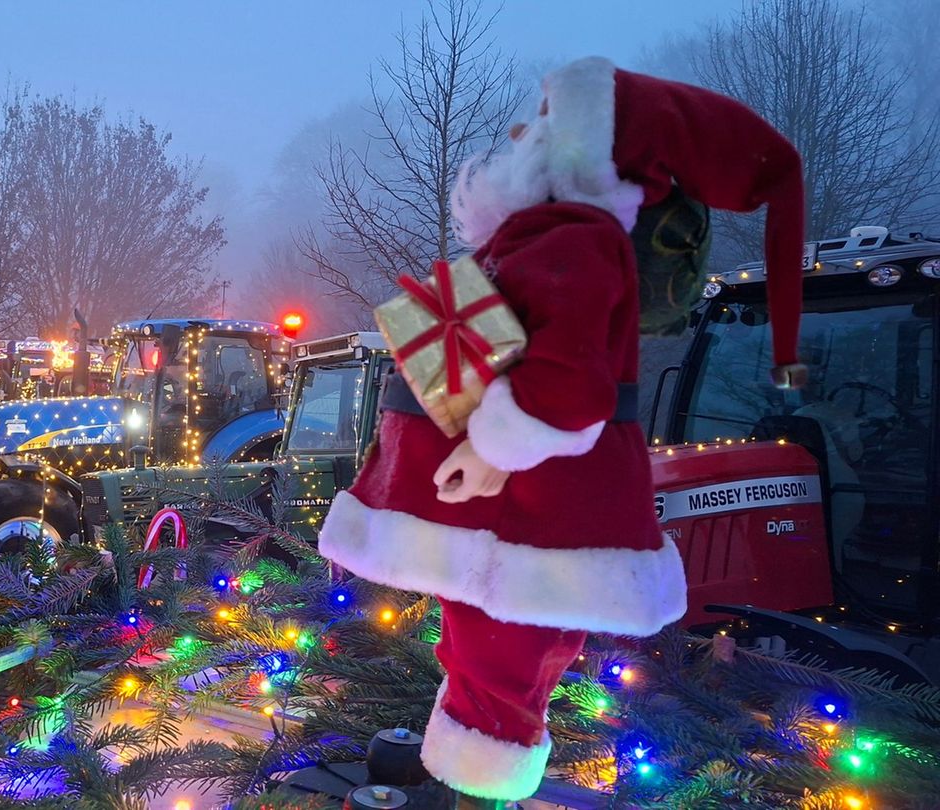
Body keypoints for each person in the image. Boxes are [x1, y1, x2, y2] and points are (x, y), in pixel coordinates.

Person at [318, 56, 806, 805]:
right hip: (499, 521)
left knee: (501, 661)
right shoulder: (541, 234)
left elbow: (570, 387)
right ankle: (475, 766)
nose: (517, 132)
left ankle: (482, 777)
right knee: (484, 649)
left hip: (517, 515)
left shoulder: (572, 234)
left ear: (585, 151)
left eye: (542, 122)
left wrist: (489, 451)